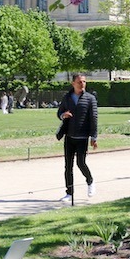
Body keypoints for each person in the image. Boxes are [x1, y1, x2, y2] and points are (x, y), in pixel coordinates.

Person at [56, 74, 98, 203]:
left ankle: (90, 181)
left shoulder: (90, 99)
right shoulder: (67, 97)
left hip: (82, 137)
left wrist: (94, 136)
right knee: (68, 166)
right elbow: (59, 113)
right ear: (73, 83)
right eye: (79, 82)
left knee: (81, 163)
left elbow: (94, 118)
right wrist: (63, 115)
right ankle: (69, 193)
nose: (82, 84)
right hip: (69, 136)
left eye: (84, 81)